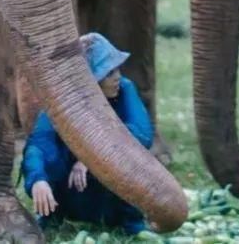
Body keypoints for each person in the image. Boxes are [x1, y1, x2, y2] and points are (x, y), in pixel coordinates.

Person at [21, 33, 154, 234]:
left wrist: (91, 160)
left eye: (117, 69)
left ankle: (130, 223)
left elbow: (142, 134)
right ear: (89, 81)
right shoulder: (61, 101)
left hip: (112, 194)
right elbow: (39, 144)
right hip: (72, 190)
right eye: (108, 72)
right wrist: (38, 180)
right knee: (48, 157)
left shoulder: (125, 89)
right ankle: (52, 217)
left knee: (130, 157)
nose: (117, 76)